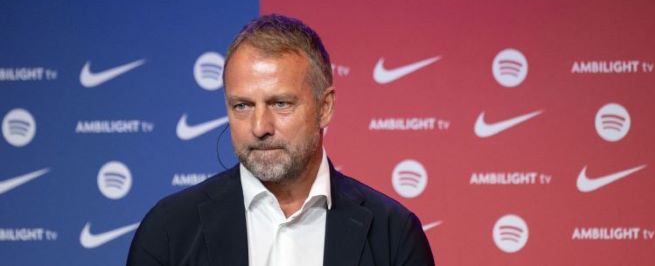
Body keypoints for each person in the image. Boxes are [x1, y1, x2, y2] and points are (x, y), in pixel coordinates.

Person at [127, 14, 435, 266]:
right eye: (242, 106)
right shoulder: (169, 230)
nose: (260, 127)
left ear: (324, 108)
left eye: (280, 104)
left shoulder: (393, 234)